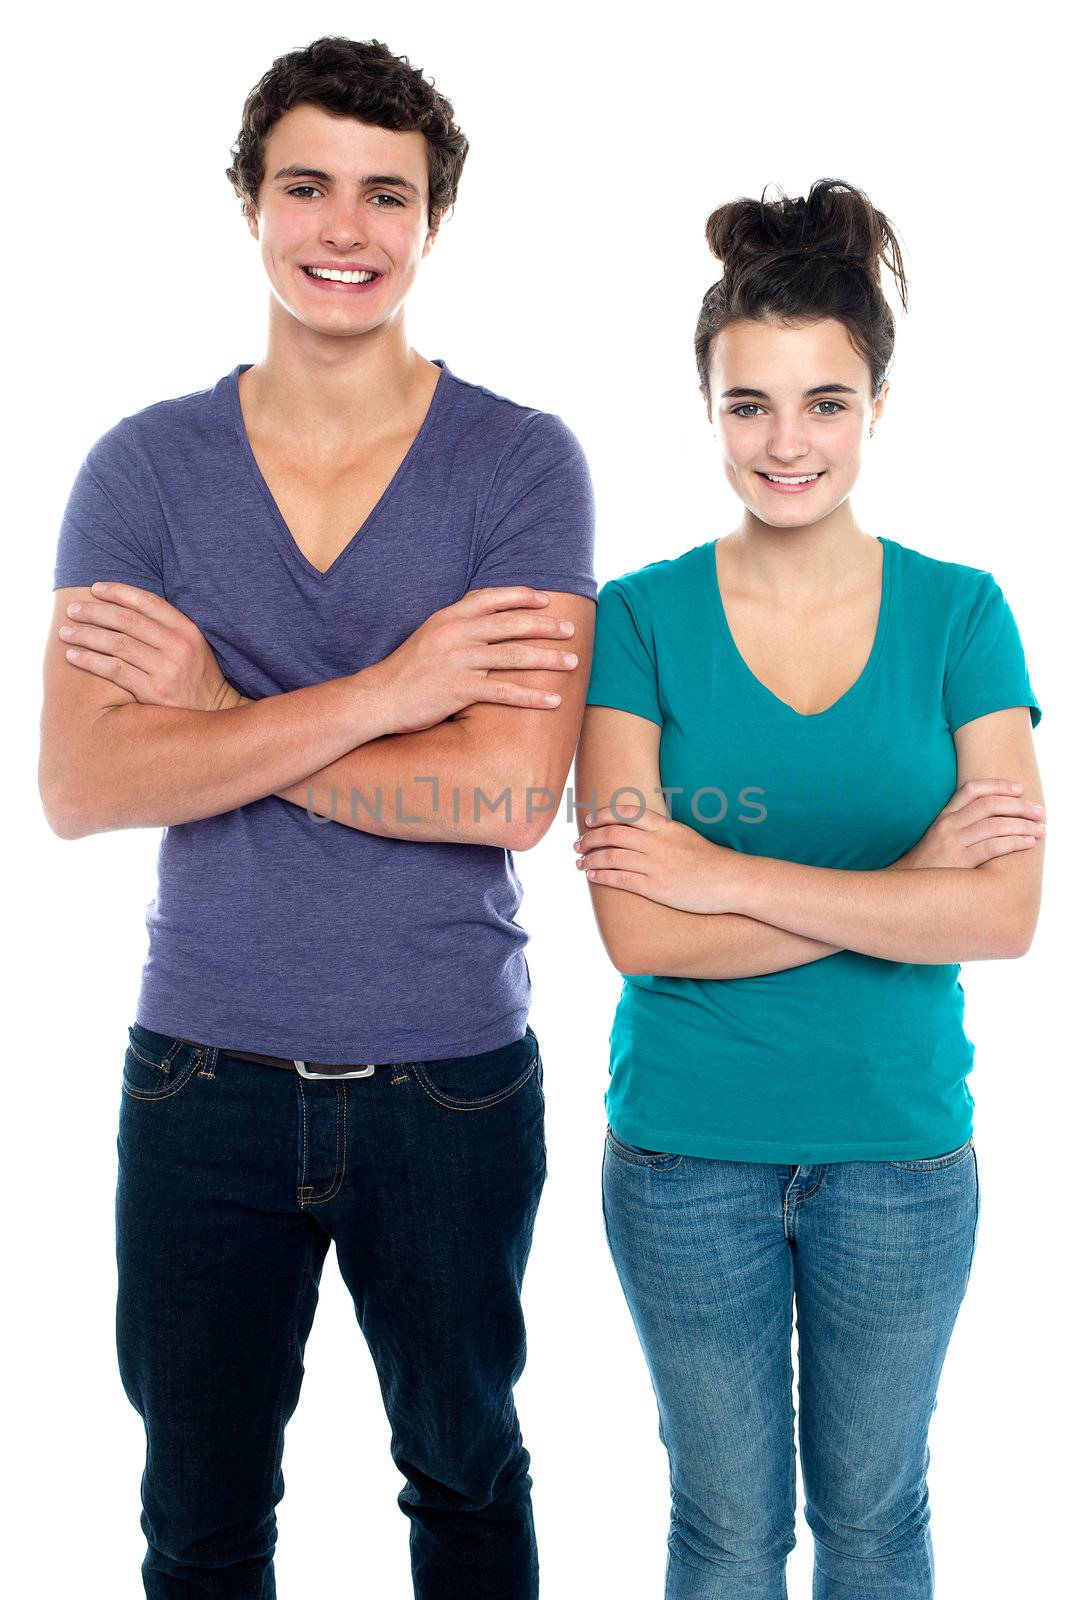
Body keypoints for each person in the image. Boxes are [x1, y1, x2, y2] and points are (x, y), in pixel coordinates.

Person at [39, 35, 596, 1600]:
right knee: (199, 1518)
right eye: (306, 187)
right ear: (248, 203)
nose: (342, 229)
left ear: (433, 224)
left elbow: (503, 790)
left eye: (385, 195)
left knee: (468, 1481)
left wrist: (216, 715)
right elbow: (85, 785)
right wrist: (391, 686)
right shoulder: (142, 472)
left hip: (451, 1085)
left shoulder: (518, 465)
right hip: (201, 1078)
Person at [573, 177, 1044, 1599]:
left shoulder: (962, 612)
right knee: (721, 1533)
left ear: (876, 409)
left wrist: (723, 872)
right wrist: (898, 887)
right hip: (682, 1158)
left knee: (876, 1521)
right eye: (750, 405)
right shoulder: (639, 617)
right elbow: (635, 928)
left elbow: (1001, 915)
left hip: (897, 1158)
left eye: (823, 403)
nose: (786, 444)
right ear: (707, 409)